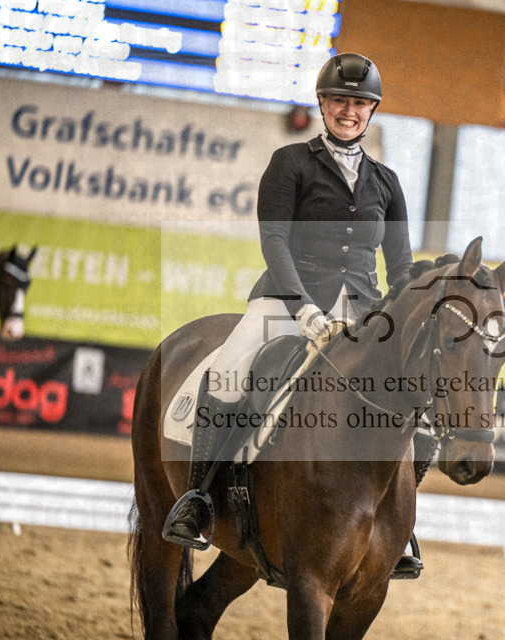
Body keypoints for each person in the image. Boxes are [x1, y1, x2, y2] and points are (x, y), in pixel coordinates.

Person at [164, 53, 423, 575]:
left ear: (370, 111)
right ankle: (198, 499)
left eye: (359, 104)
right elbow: (275, 240)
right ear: (323, 104)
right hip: (285, 300)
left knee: (405, 392)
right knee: (233, 368)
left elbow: (399, 266)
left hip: (362, 311)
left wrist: (402, 321)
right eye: (339, 101)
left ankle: (398, 527)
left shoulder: (386, 181)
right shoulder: (291, 162)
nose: (348, 112)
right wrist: (301, 306)